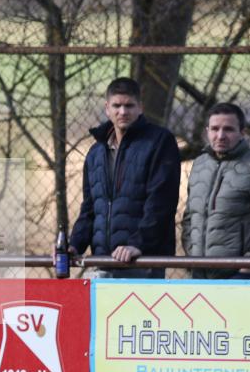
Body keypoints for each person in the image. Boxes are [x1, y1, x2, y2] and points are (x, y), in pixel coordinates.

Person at [68, 77, 181, 278]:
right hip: (103, 262)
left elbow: (161, 202)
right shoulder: (96, 152)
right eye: (117, 105)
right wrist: (74, 245)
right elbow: (90, 207)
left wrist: (138, 244)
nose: (123, 111)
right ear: (107, 108)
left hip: (143, 261)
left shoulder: (159, 142)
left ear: (140, 107)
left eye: (129, 105)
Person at [182, 102, 250, 280]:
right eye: (215, 129)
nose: (221, 135)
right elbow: (189, 218)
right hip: (200, 276)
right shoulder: (199, 165)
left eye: (229, 129)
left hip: (243, 278)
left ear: (242, 132)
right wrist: (191, 257)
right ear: (207, 130)